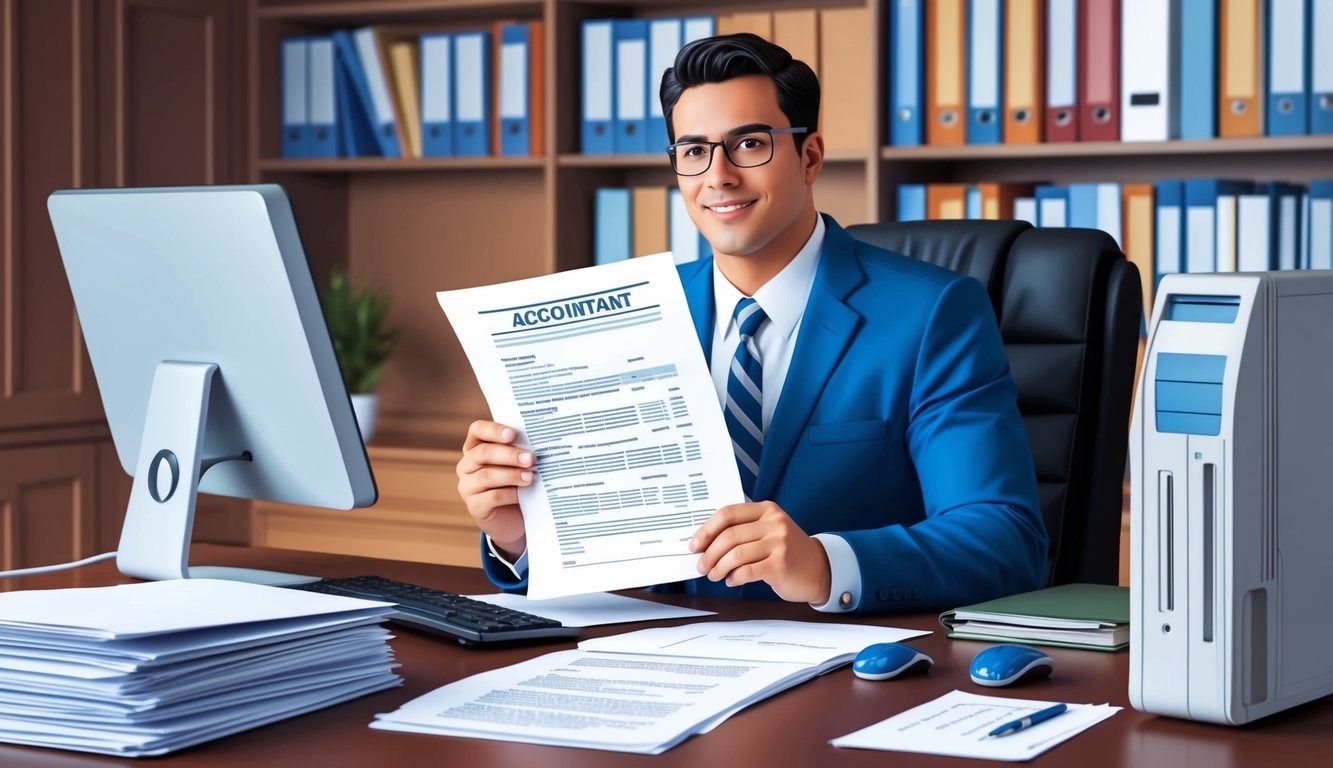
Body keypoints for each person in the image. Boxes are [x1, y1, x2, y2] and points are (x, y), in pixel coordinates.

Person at [456, 34, 1047, 613]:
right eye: (694, 152)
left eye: (749, 145)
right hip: (664, 665)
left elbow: (1004, 539)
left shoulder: (933, 313)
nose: (718, 176)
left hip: (857, 671)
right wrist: (521, 536)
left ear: (809, 156)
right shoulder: (631, 316)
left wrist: (824, 564)